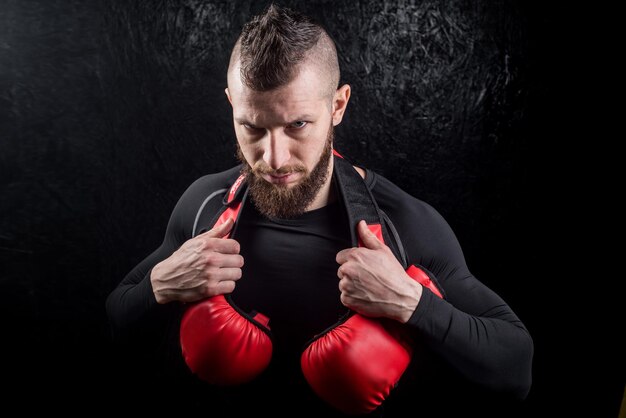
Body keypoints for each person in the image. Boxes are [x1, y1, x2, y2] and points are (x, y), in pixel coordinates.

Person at [106, 4, 533, 417]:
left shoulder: (403, 224)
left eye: (298, 125)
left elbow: (515, 368)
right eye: (252, 126)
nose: (273, 158)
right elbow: (115, 318)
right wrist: (161, 284)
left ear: (338, 106)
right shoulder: (204, 206)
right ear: (231, 104)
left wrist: (412, 304)